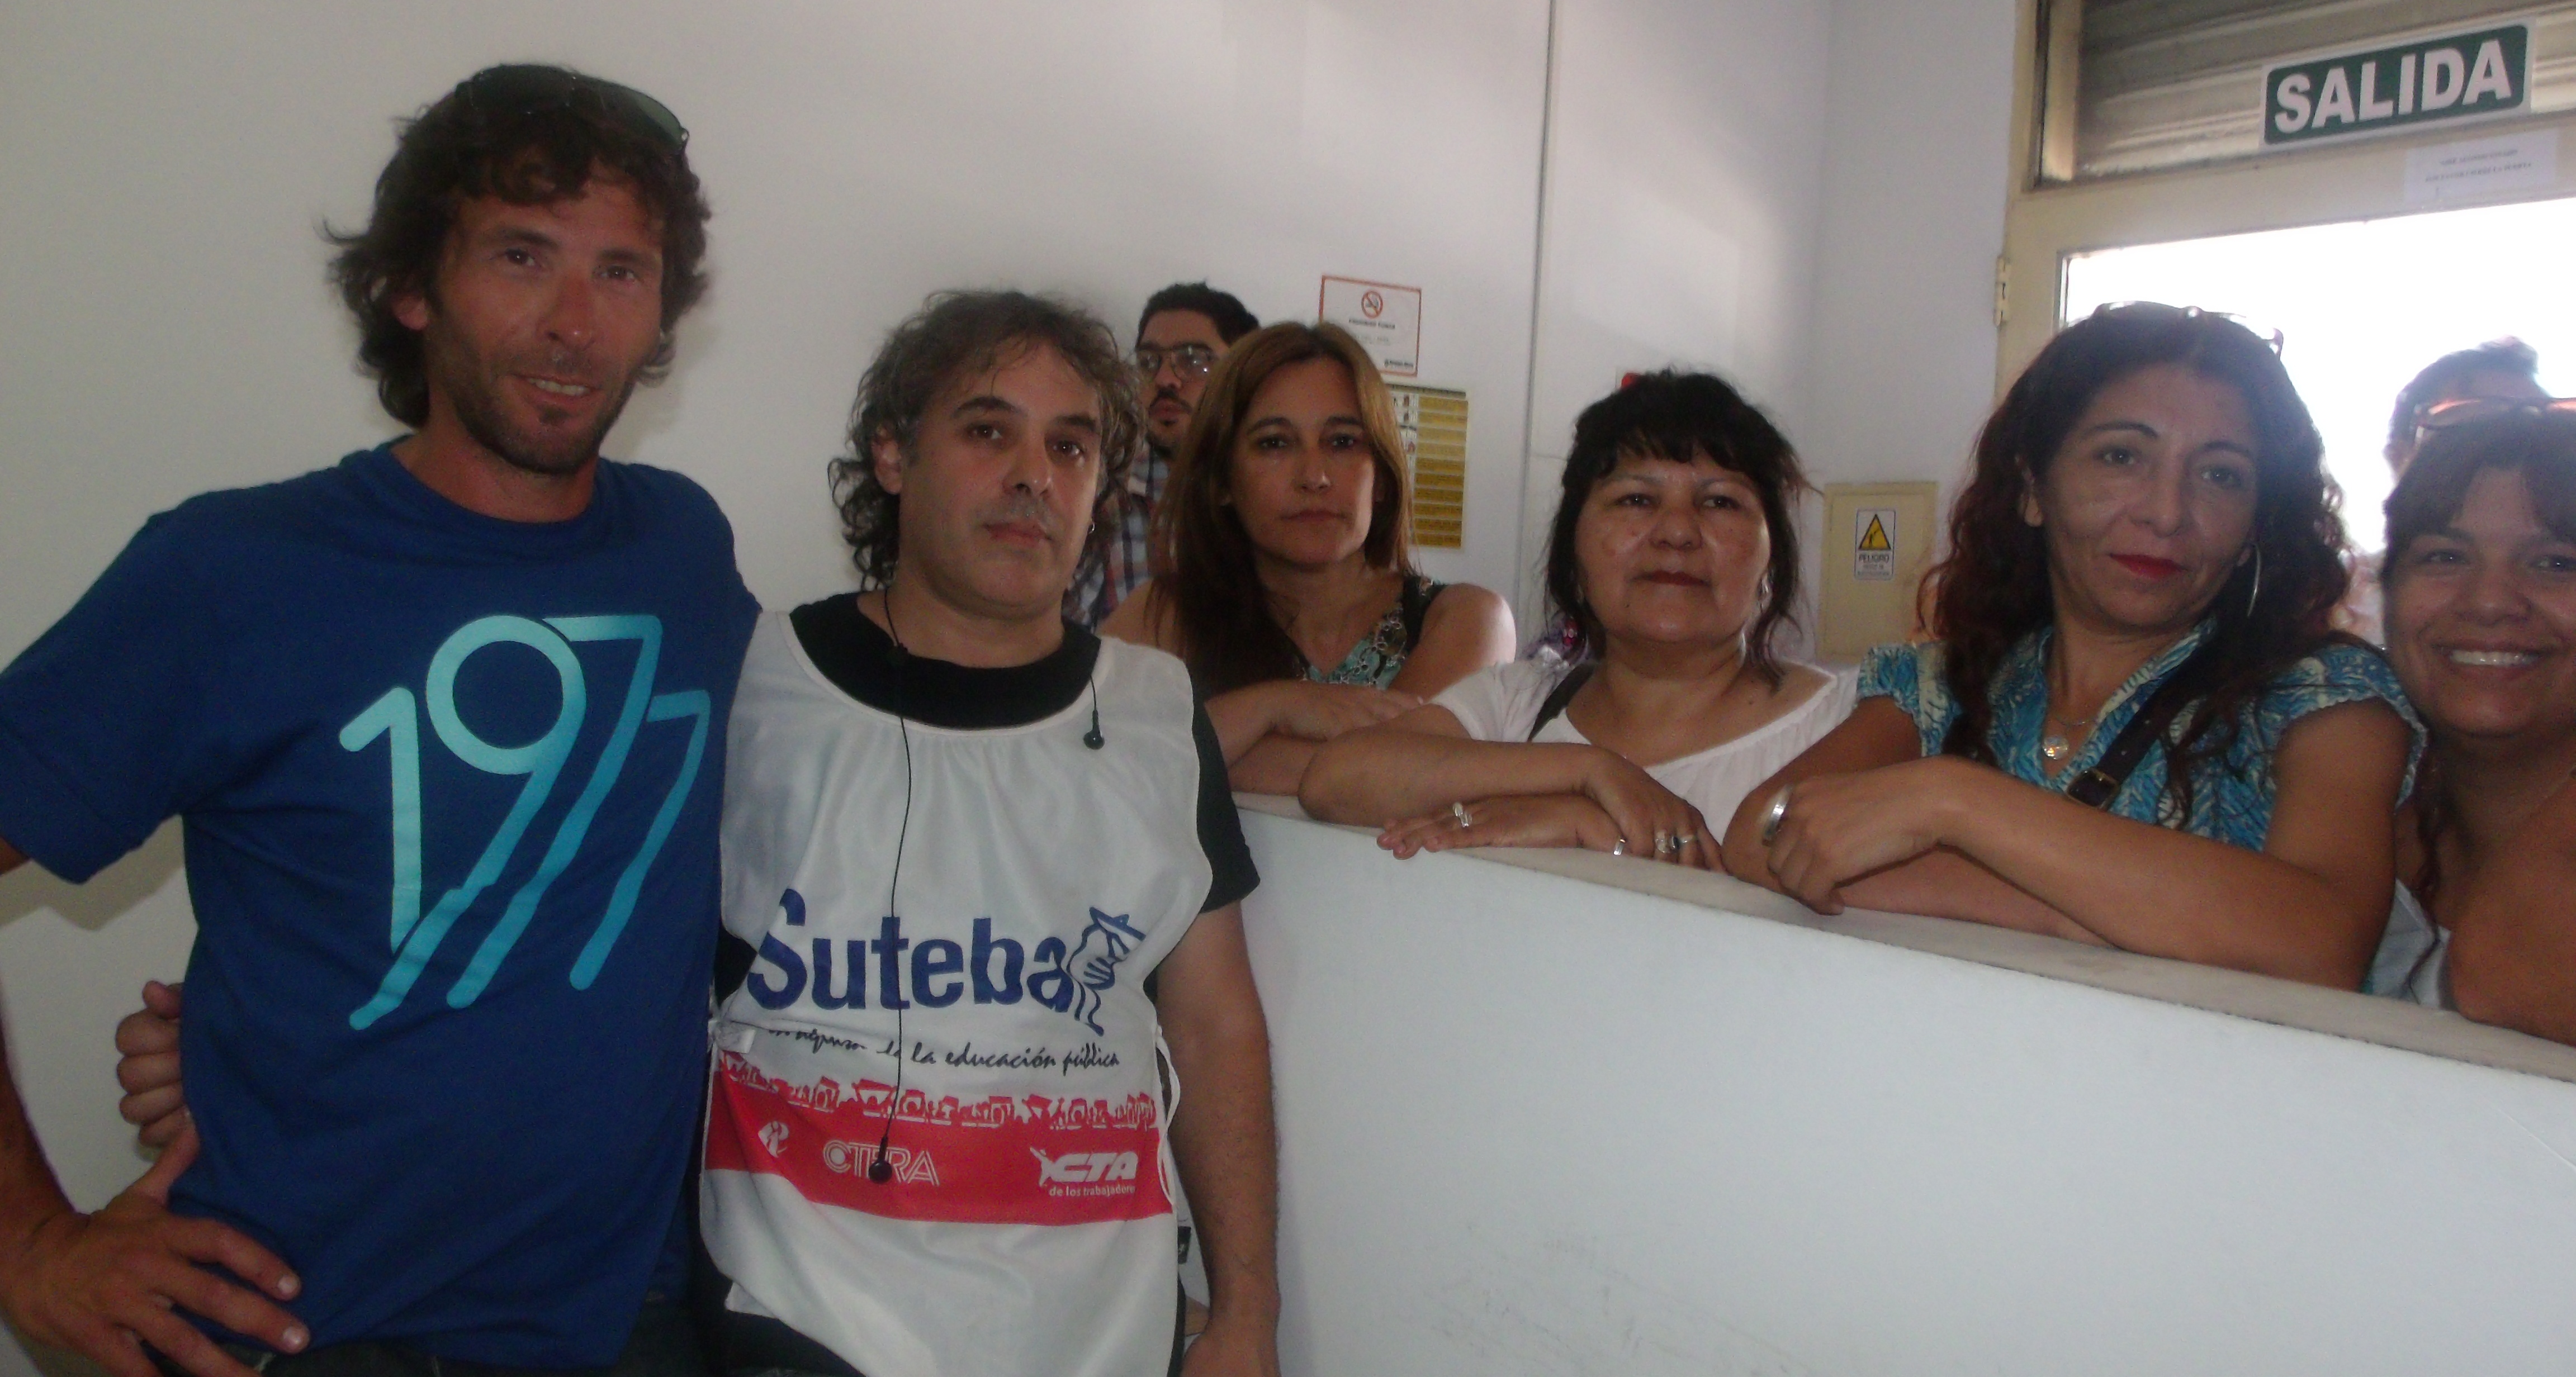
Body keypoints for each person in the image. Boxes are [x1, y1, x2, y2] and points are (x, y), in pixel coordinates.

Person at [0, 65, 752, 1377]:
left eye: (621, 271)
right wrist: (27, 1242)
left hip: (625, 1327)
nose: (575, 324)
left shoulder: (683, 552)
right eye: (522, 256)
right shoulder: (233, 574)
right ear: (411, 287)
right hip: (304, 1331)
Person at [694, 291, 1279, 1376]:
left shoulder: (1156, 713)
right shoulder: (755, 681)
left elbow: (1214, 1028)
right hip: (803, 1310)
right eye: (986, 429)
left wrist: (1246, 1312)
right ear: (892, 455)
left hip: (1097, 1326)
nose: (1031, 475)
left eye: (1070, 445)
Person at [1723, 303, 2420, 990]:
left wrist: (1954, 800)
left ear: (2254, 529)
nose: (2166, 512)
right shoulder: (1938, 685)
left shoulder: (2326, 696)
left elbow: (2321, 941)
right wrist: (2102, 914)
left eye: (2220, 475)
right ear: (2033, 487)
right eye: (2122, 456)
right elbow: (1763, 836)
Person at [1299, 372, 1852, 865]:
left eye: (1720, 502)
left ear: (1773, 557)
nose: (1677, 532)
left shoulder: (1844, 723)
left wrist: (1599, 831)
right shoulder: (1519, 702)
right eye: (1636, 499)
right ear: (1573, 553)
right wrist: (1588, 773)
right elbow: (1336, 779)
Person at [1102, 322, 1514, 794]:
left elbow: (1380, 779)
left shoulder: (1464, 619)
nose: (1314, 477)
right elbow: (1086, 757)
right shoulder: (1164, 613)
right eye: (1275, 443)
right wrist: (1272, 706)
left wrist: (1182, 747)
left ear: (1381, 476)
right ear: (1221, 481)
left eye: (1343, 442)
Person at [2369, 402, 2576, 1038]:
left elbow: (2506, 978)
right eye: (2445, 558)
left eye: (2556, 564)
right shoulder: (2343, 812)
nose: (2489, 602)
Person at [1067, 283, 1260, 626]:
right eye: (1148, 362)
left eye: (1193, 360)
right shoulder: (1101, 492)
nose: (1165, 379)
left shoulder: (1274, 492)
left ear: (1243, 372)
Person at [2340, 339, 2549, 642]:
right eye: (2475, 431)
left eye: (2540, 431)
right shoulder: (2328, 605)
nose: (2511, 456)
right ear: (2400, 457)